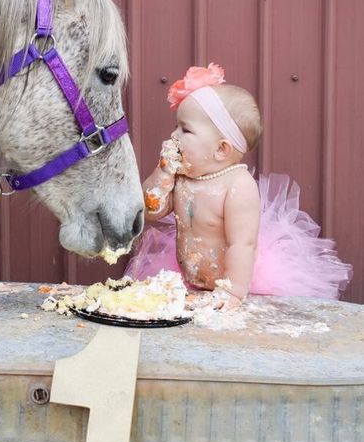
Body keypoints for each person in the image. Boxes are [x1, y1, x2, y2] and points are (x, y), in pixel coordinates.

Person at [126, 64, 352, 311]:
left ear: (221, 149)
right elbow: (152, 210)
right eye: (176, 127)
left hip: (237, 276)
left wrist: (233, 290)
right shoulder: (182, 176)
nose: (173, 135)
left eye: (185, 130)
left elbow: (242, 244)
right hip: (189, 276)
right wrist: (163, 172)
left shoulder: (237, 186)